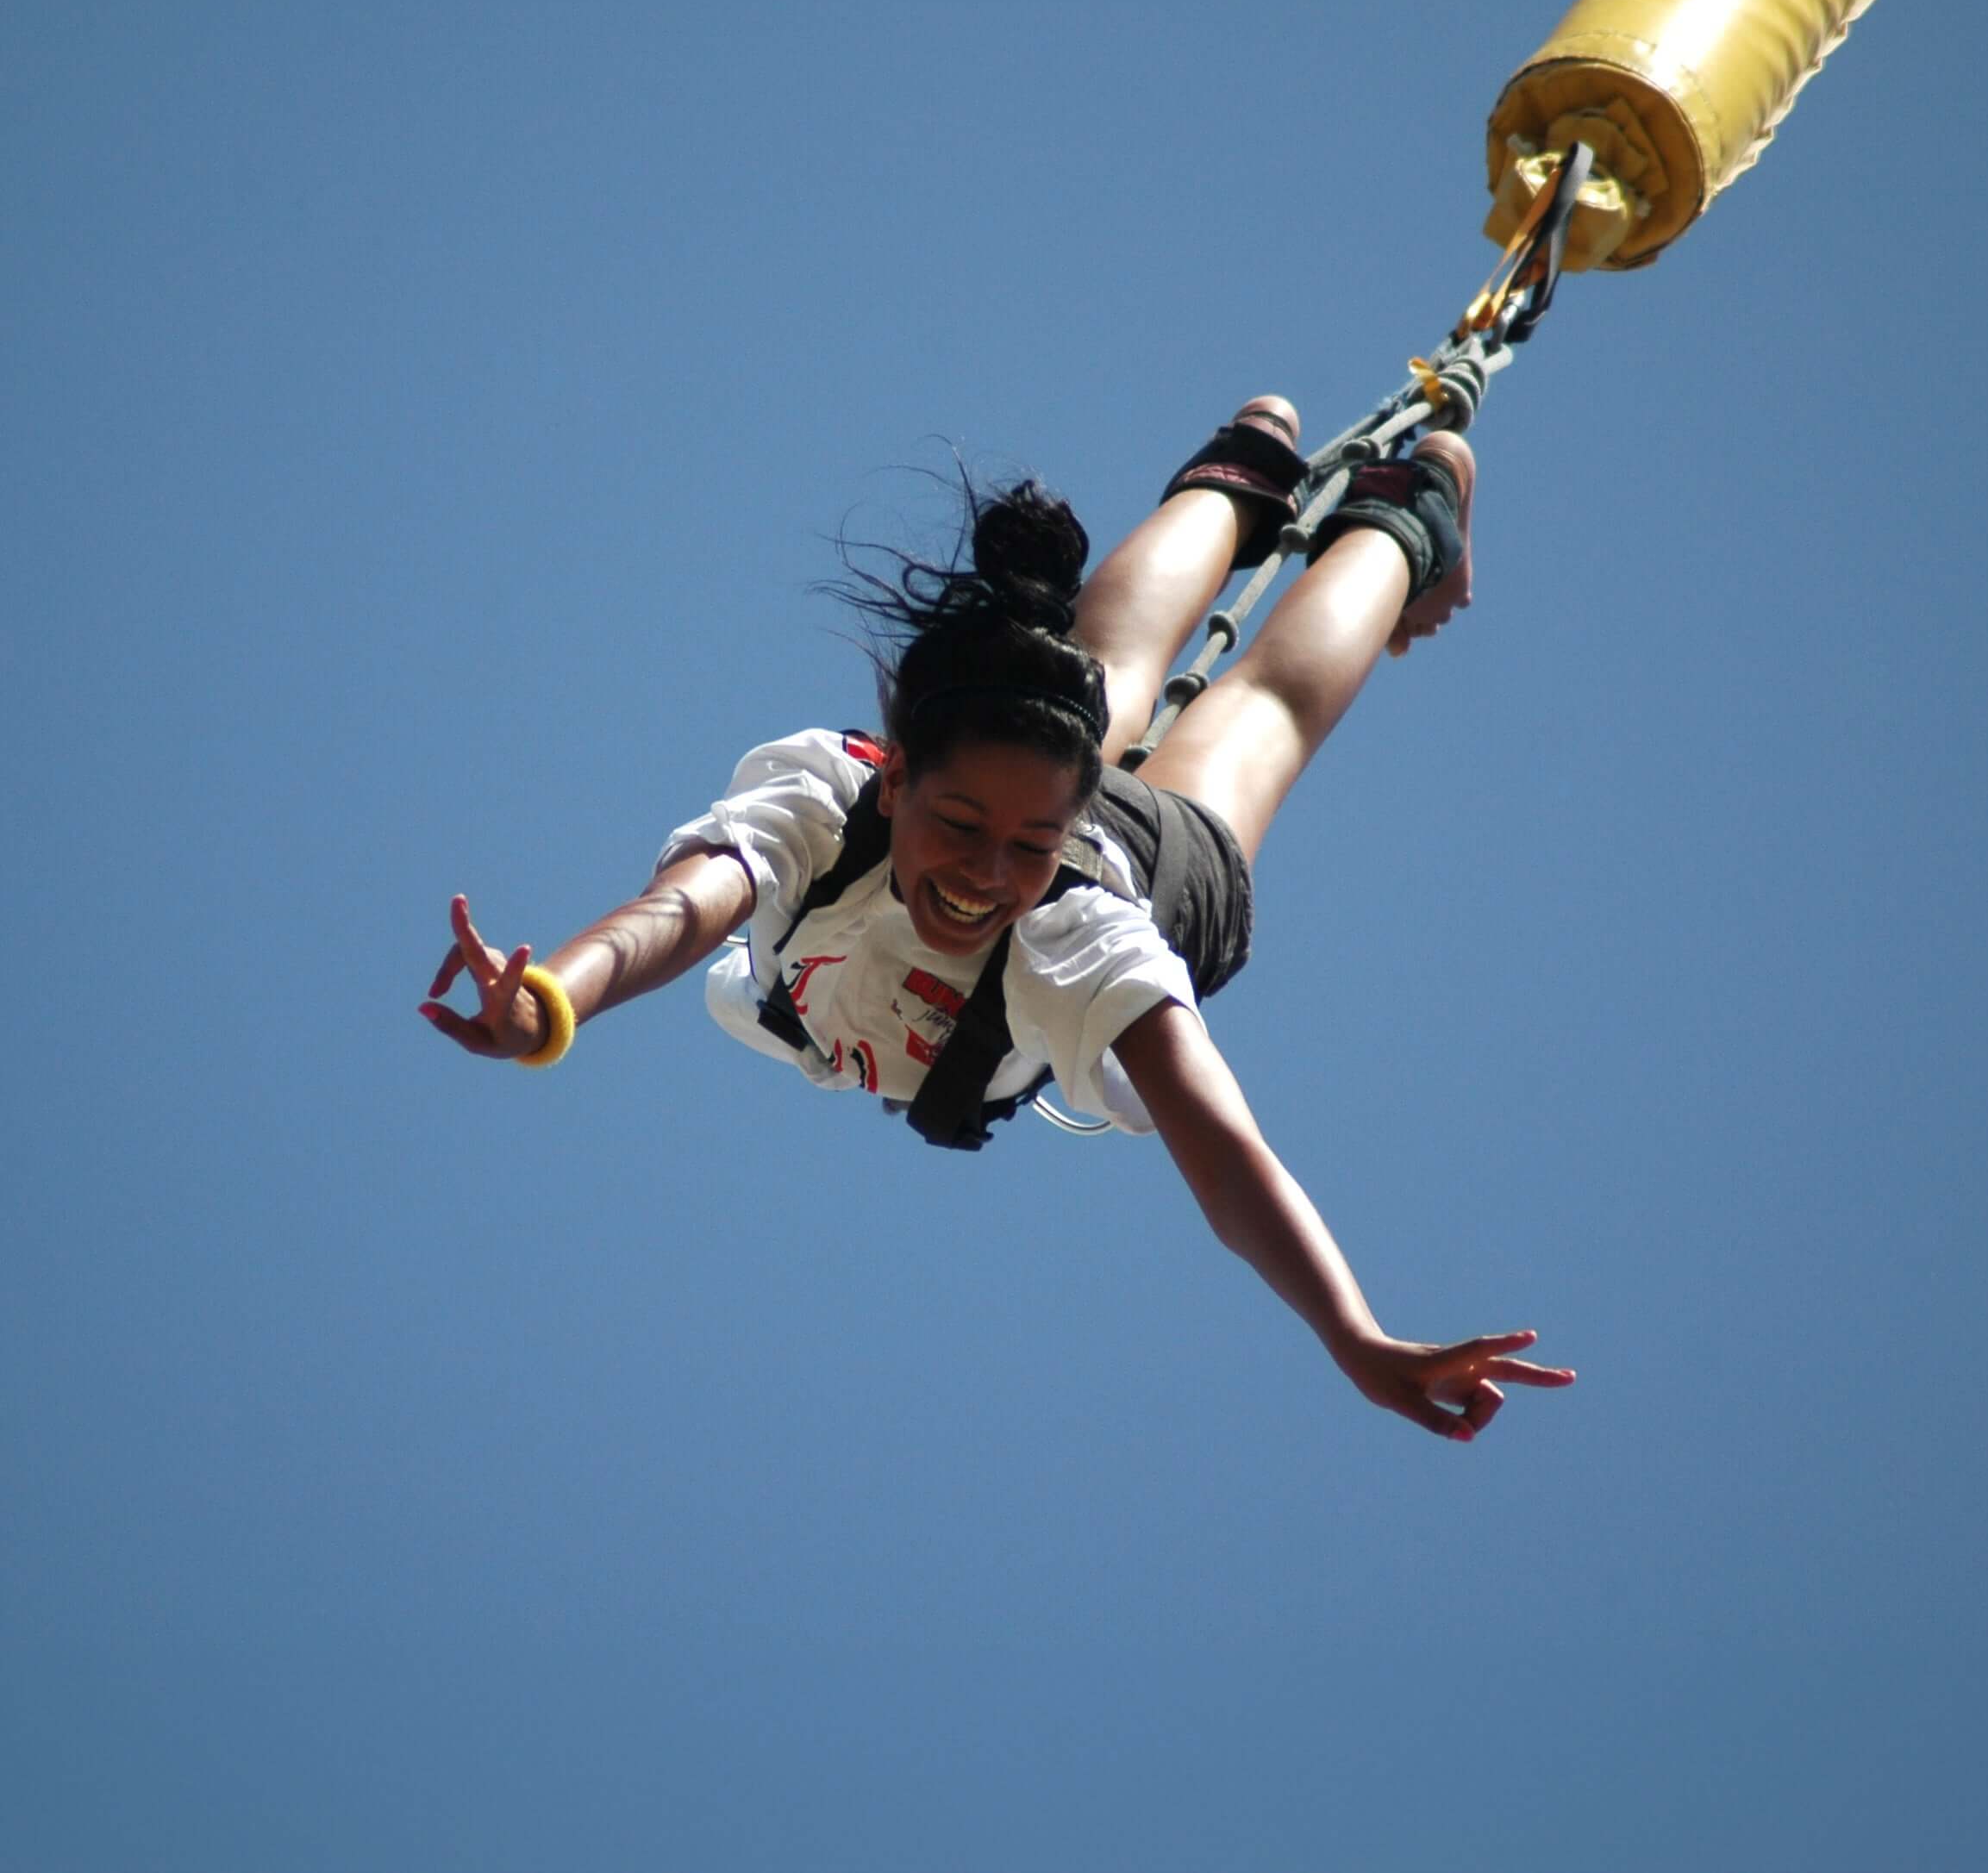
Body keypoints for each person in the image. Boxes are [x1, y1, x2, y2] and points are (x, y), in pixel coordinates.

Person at [422, 399, 1575, 1442]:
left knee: (1254, 709)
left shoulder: (1075, 944)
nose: (980, 873)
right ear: (893, 777)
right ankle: (1244, 469)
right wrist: (551, 997)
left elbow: (1222, 1153)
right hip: (1041, 796)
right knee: (1094, 679)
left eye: (1019, 843)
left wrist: (1348, 1328)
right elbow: (675, 912)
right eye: (957, 826)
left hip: (1136, 872)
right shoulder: (825, 803)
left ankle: (1401, 518)